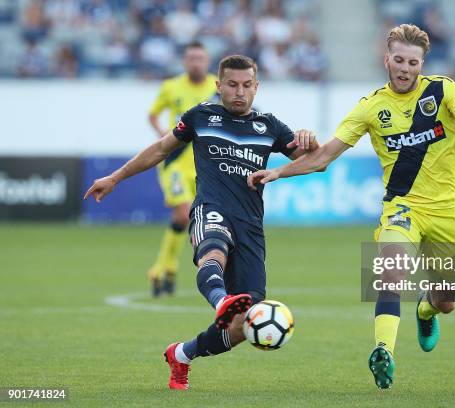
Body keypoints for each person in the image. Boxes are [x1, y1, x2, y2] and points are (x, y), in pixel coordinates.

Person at [247, 24, 455, 390]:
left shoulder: (443, 89)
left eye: (412, 62)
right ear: (387, 59)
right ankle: (384, 351)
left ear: (421, 64)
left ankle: (426, 309)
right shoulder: (371, 107)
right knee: (391, 273)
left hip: (448, 212)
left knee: (446, 301)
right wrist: (279, 171)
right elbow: (323, 157)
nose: (405, 68)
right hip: (402, 209)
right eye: (398, 59)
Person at [84, 55, 317, 390]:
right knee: (213, 252)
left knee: (242, 327)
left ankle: (182, 354)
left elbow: (316, 161)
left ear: (256, 87)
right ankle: (221, 301)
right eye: (232, 85)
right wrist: (116, 177)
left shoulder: (270, 127)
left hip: (250, 225)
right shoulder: (201, 116)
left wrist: (312, 141)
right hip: (211, 208)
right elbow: (161, 149)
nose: (239, 92)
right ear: (218, 85)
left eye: (247, 85)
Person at [147, 41, 218, 297]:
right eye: (191, 58)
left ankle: (161, 268)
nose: (195, 62)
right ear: (184, 61)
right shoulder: (171, 86)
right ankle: (170, 267)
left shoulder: (217, 87)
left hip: (204, 164)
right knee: (186, 214)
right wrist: (164, 137)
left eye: (200, 58)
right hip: (175, 161)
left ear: (207, 61)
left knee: (180, 219)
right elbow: (153, 114)